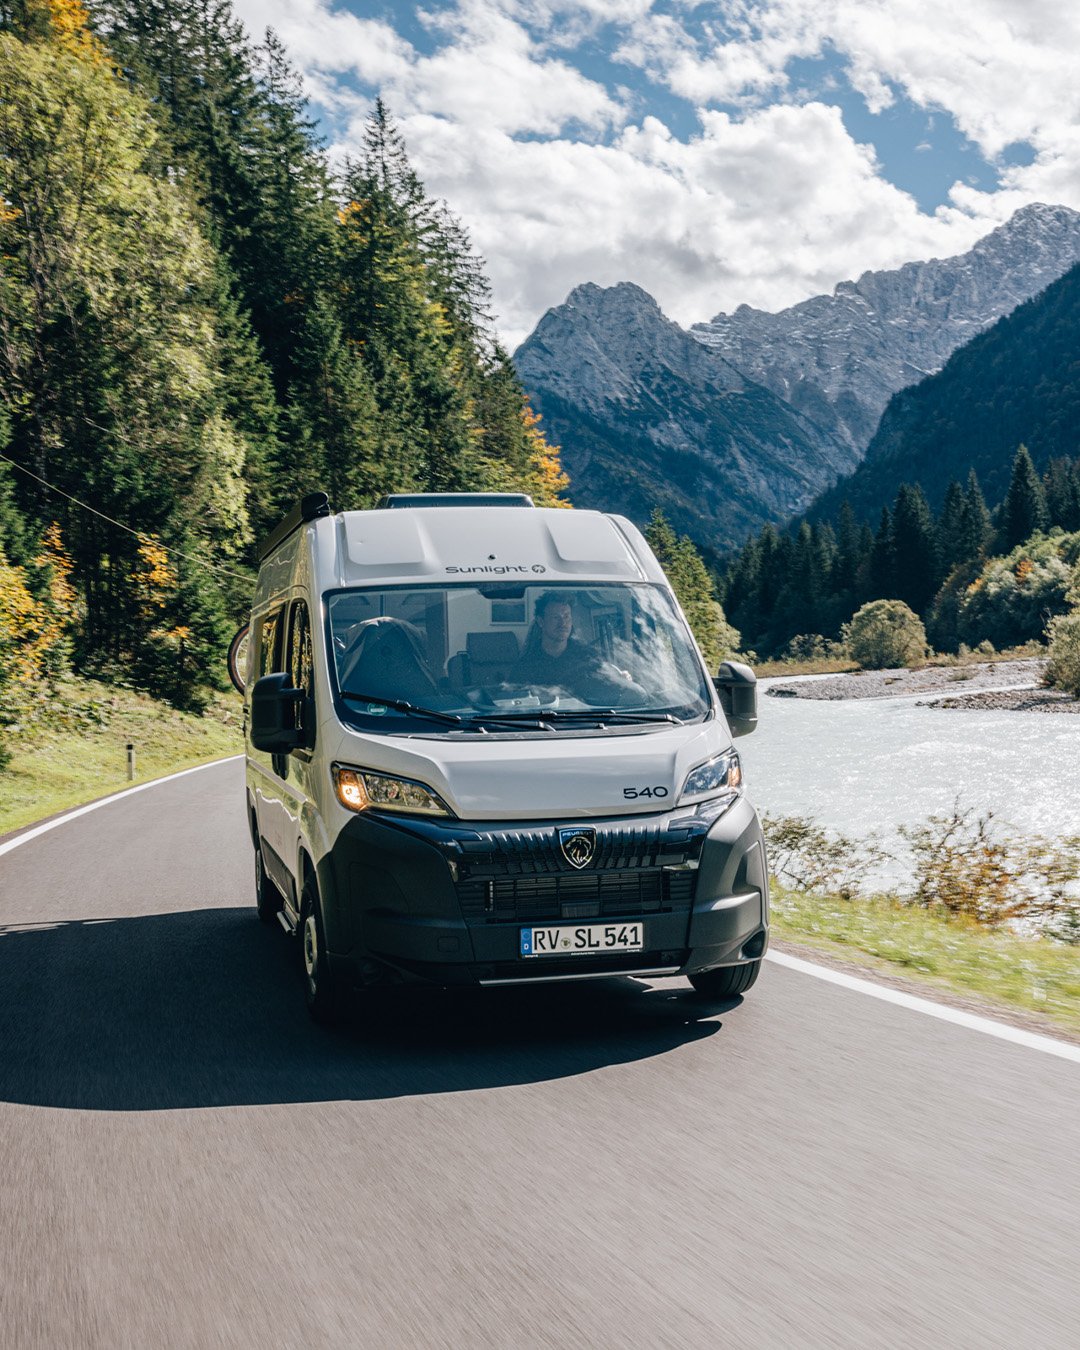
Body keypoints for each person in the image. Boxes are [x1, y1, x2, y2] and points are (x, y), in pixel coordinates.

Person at [515, 592, 641, 703]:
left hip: (587, 723)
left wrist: (621, 680)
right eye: (556, 617)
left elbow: (607, 686)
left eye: (566, 616)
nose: (563, 623)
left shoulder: (588, 657)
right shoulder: (526, 665)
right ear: (540, 621)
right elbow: (514, 699)